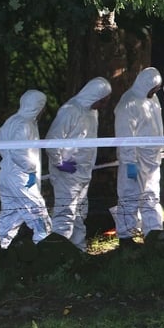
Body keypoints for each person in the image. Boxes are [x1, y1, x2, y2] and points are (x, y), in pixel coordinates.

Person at [45, 77, 112, 252]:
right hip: (66, 173)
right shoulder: (70, 110)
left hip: (83, 172)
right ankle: (57, 254)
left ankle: (78, 251)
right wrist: (60, 162)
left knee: (79, 214)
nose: (103, 105)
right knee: (65, 214)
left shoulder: (92, 112)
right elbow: (52, 139)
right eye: (102, 101)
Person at [112, 67, 164, 247]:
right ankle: (126, 237)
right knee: (130, 196)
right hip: (135, 159)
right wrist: (129, 162)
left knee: (151, 195)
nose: (156, 91)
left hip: (152, 159)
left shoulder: (152, 99)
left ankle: (153, 232)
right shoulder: (129, 103)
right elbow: (125, 135)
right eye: (154, 88)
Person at [0, 89, 52, 249]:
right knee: (39, 215)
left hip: (7, 175)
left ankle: (0, 253)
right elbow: (18, 152)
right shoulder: (24, 124)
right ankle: (45, 255)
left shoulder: (11, 121)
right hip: (21, 176)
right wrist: (31, 169)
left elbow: (4, 148)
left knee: (10, 218)